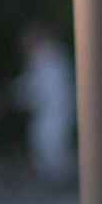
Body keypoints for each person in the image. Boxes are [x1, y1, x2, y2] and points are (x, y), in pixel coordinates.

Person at [13, 23, 76, 187]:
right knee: (43, 140)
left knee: (50, 142)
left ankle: (61, 178)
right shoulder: (44, 58)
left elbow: (41, 86)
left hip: (56, 109)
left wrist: (20, 94)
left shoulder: (49, 57)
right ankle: (53, 176)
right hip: (49, 110)